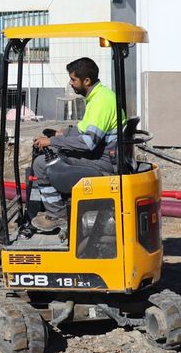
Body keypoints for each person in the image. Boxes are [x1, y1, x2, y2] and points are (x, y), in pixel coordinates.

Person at [28, 57, 123, 234]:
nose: (70, 83)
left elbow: (88, 143)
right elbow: (82, 130)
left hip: (104, 163)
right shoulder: (99, 96)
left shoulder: (101, 102)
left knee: (41, 164)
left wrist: (52, 141)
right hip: (104, 156)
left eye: (73, 79)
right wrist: (60, 134)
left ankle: (57, 215)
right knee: (55, 152)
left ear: (86, 81)